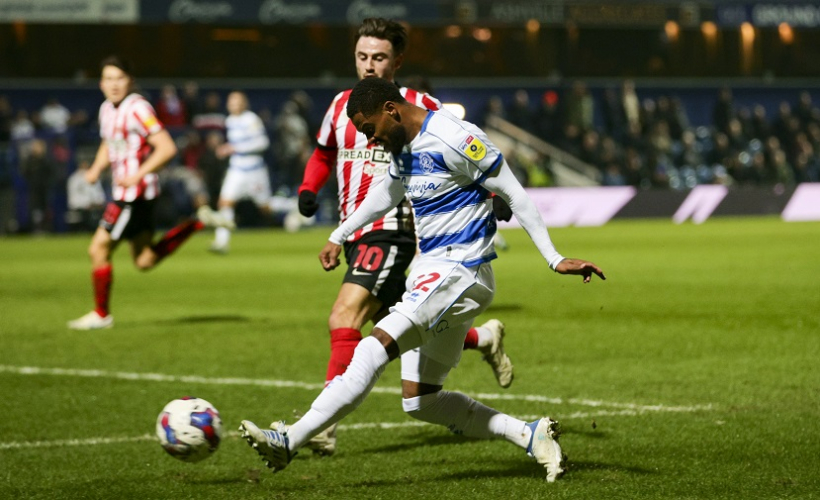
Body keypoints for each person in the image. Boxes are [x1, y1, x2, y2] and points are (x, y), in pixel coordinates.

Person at [240, 76, 606, 482]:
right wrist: (339, 235)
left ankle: (289, 440)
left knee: (372, 348)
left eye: (369, 129)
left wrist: (554, 258)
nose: (371, 139)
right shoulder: (401, 147)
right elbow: (385, 194)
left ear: (390, 110)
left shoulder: (454, 137)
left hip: (462, 270)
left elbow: (514, 192)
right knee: (421, 400)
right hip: (434, 272)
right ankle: (530, 434)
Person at [293, 18, 513, 456]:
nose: (369, 65)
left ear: (397, 61)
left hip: (396, 231)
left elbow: (461, 149)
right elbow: (322, 153)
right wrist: (308, 188)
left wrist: (493, 192)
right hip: (357, 231)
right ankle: (485, 339)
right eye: (362, 56)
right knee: (400, 323)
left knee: (344, 315)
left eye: (378, 57)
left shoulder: (419, 105)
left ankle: (322, 424)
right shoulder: (339, 105)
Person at [67, 56, 234, 331]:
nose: (114, 84)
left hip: (133, 195)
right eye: (108, 79)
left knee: (97, 249)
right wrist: (96, 168)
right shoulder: (106, 109)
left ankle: (101, 314)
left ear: (130, 81)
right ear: (101, 84)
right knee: (144, 260)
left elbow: (166, 147)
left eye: (120, 78)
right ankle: (195, 224)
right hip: (132, 194)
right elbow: (110, 142)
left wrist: (138, 174)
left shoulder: (137, 108)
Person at [208, 90, 297, 253]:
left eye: (236, 101)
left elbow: (262, 143)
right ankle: (222, 242)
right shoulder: (229, 120)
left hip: (254, 170)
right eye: (230, 101)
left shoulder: (251, 119)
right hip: (236, 170)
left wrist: (234, 148)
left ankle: (295, 206)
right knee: (225, 203)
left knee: (265, 208)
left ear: (243, 103)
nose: (232, 105)